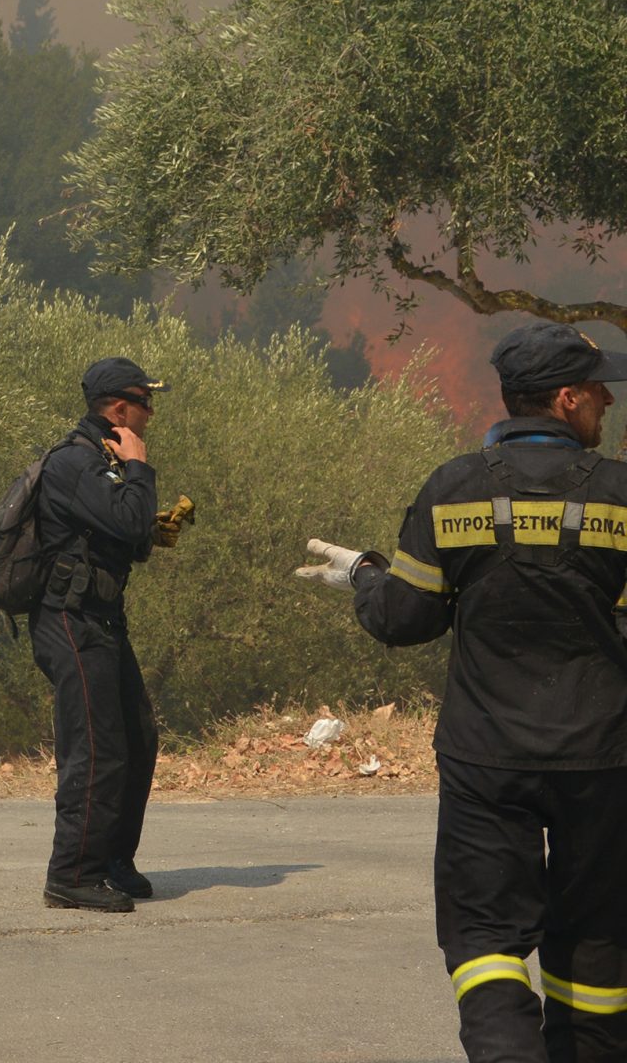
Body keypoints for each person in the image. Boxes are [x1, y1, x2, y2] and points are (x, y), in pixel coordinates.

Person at [297, 321, 627, 1063]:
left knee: (484, 937)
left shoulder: (454, 488)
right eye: (599, 389)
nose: (609, 400)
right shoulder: (621, 495)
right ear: (567, 400)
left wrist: (363, 577)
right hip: (604, 760)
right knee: (599, 935)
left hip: (487, 761)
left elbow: (405, 619)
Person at [32, 356, 167, 913]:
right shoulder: (76, 463)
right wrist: (140, 469)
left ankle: (112, 859)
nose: (151, 415)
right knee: (95, 750)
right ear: (119, 409)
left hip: (102, 618)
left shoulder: (102, 462)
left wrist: (152, 528)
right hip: (71, 619)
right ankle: (71, 873)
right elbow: (128, 519)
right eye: (145, 404)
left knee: (137, 740)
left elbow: (128, 535)